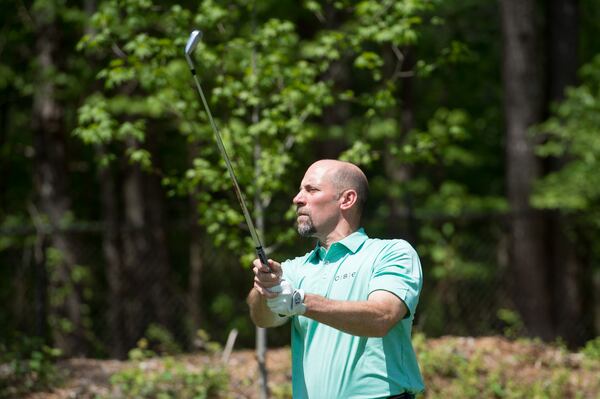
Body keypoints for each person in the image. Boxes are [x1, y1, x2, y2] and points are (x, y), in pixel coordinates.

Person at [247, 159, 424, 399]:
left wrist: (302, 301)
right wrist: (264, 288)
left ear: (347, 199)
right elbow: (263, 318)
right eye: (300, 190)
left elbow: (382, 317)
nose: (297, 199)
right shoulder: (297, 268)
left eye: (311, 190)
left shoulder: (391, 253)